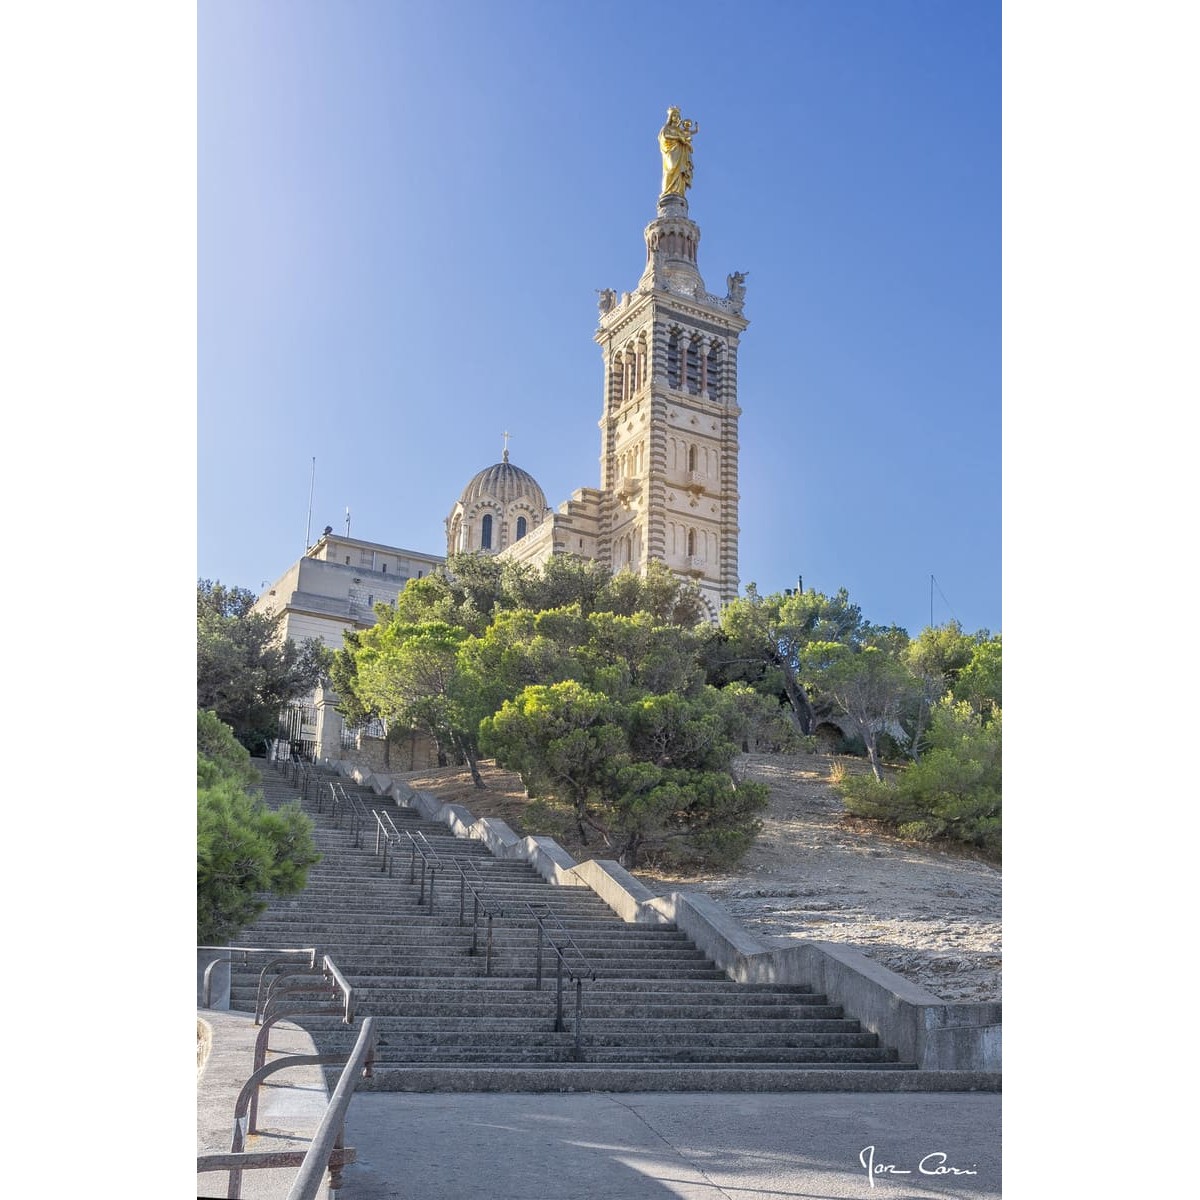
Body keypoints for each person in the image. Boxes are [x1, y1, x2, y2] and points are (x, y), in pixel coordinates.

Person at [658, 106, 698, 196]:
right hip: (670, 151)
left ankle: (679, 191)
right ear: (671, 117)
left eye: (677, 116)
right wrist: (678, 138)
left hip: (681, 153)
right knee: (670, 169)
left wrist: (686, 141)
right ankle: (666, 191)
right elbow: (664, 136)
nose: (676, 118)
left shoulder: (680, 130)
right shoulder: (666, 128)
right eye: (674, 115)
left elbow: (687, 136)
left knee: (680, 172)